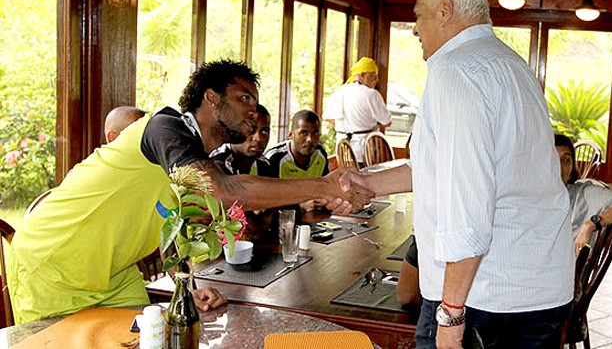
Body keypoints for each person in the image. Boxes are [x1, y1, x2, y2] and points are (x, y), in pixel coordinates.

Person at [8, 59, 373, 324]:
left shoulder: (200, 157)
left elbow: (177, 227)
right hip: (54, 263)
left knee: (165, 333)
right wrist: (325, 185)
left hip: (113, 274)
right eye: (244, 98)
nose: (253, 110)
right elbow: (224, 191)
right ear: (212, 99)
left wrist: (188, 286)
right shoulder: (163, 128)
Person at [348, 0, 573, 348]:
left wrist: (451, 313)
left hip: (483, 300)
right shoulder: (512, 64)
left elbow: (467, 208)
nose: (415, 28)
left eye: (418, 14)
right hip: (539, 293)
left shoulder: (456, 71)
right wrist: (366, 184)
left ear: (445, 10)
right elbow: (436, 169)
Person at [555, 134, 612, 256]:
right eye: (552, 159)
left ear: (571, 170)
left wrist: (591, 224)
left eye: (566, 160)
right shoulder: (525, 199)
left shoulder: (581, 194)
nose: (559, 167)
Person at [323, 56, 392, 167]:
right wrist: (361, 125)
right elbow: (387, 122)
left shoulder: (340, 91)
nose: (376, 80)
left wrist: (349, 126)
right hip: (363, 150)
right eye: (374, 76)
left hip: (342, 150)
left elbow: (327, 117)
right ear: (362, 76)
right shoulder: (371, 94)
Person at [264, 110, 330, 212]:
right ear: (291, 135)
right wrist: (300, 206)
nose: (310, 139)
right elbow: (265, 202)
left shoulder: (320, 154)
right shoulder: (275, 159)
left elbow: (325, 188)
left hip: (312, 218)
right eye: (304, 133)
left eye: (315, 133)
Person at [210, 104, 272, 177]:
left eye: (264, 132)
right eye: (251, 130)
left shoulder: (264, 164)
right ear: (234, 129)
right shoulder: (217, 163)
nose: (258, 138)